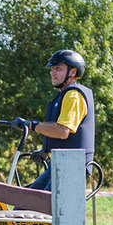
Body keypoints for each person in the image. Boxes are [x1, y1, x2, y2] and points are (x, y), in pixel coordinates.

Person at [11, 49, 95, 191]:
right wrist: (46, 150)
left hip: (72, 168)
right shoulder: (63, 95)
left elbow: (63, 131)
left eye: (58, 69)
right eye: (52, 69)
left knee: (42, 208)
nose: (52, 72)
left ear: (73, 72)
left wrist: (32, 125)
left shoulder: (73, 96)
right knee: (26, 203)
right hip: (60, 163)